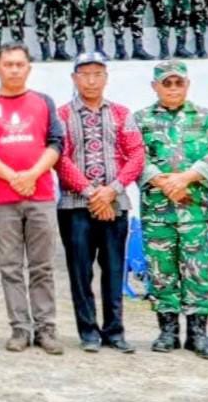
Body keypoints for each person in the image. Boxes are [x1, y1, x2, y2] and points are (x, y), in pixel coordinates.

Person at [0, 44, 65, 354]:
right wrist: (13, 177)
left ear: (29, 68)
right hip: (3, 198)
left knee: (42, 267)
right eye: (8, 64)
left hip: (40, 195)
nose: (14, 69)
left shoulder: (44, 102)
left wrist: (32, 174)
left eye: (19, 64)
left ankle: (46, 329)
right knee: (10, 267)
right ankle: (20, 330)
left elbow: (56, 143)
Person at [134, 60, 208, 358]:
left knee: (197, 271)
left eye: (178, 82)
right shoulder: (140, 120)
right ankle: (168, 331)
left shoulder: (207, 119)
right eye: (166, 83)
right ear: (155, 86)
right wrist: (166, 183)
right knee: (162, 270)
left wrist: (184, 179)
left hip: (194, 210)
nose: (173, 88)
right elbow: (135, 158)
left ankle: (197, 333)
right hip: (158, 212)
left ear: (187, 85)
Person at [54, 52, 145, 353]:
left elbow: (136, 155)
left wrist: (112, 190)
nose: (91, 81)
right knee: (80, 271)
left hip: (115, 203)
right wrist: (92, 192)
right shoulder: (62, 115)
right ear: (74, 78)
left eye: (97, 74)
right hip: (74, 205)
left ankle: (114, 331)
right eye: (85, 75)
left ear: (106, 78)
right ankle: (88, 332)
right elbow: (60, 158)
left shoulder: (121, 113)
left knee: (115, 268)